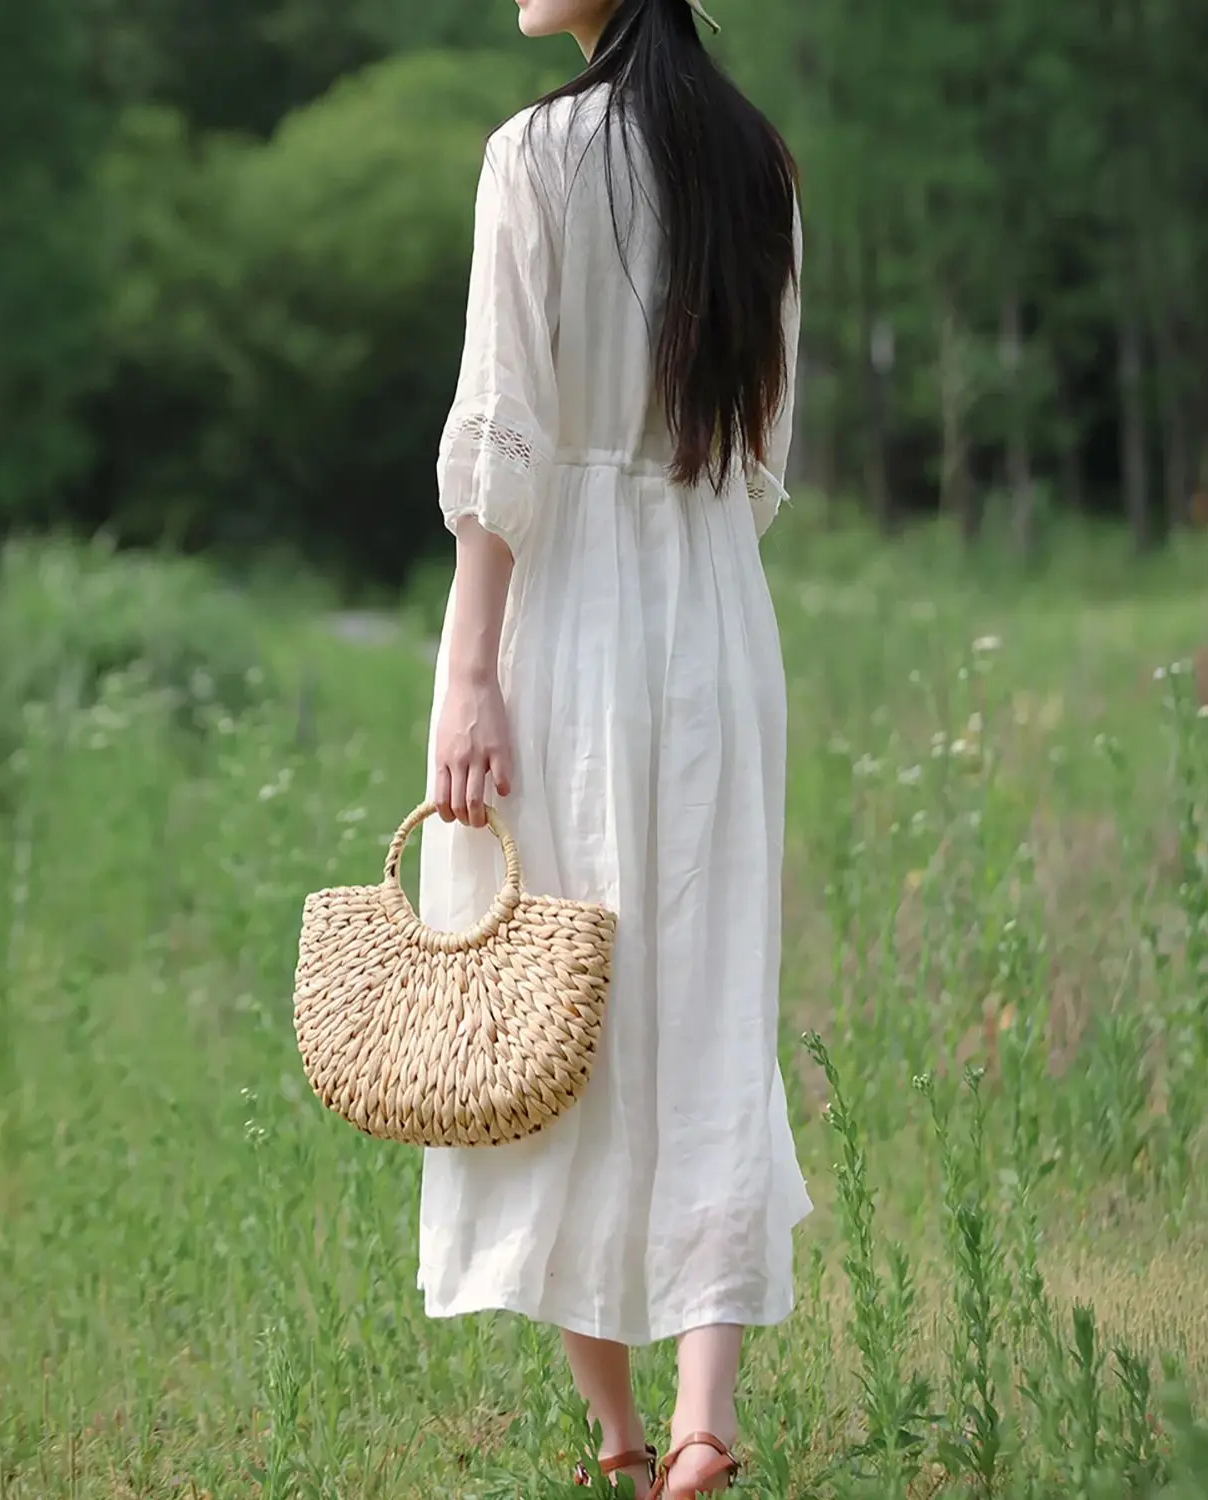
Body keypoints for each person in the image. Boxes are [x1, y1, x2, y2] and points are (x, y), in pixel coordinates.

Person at [416, 0, 809, 1494]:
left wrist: (468, 674)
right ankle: (704, 1420)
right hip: (714, 609)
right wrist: (677, 530)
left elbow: (500, 441)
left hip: (567, 616)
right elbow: (758, 458)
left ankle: (629, 1439)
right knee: (707, 1004)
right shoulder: (760, 166)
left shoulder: (536, 154)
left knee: (543, 998)